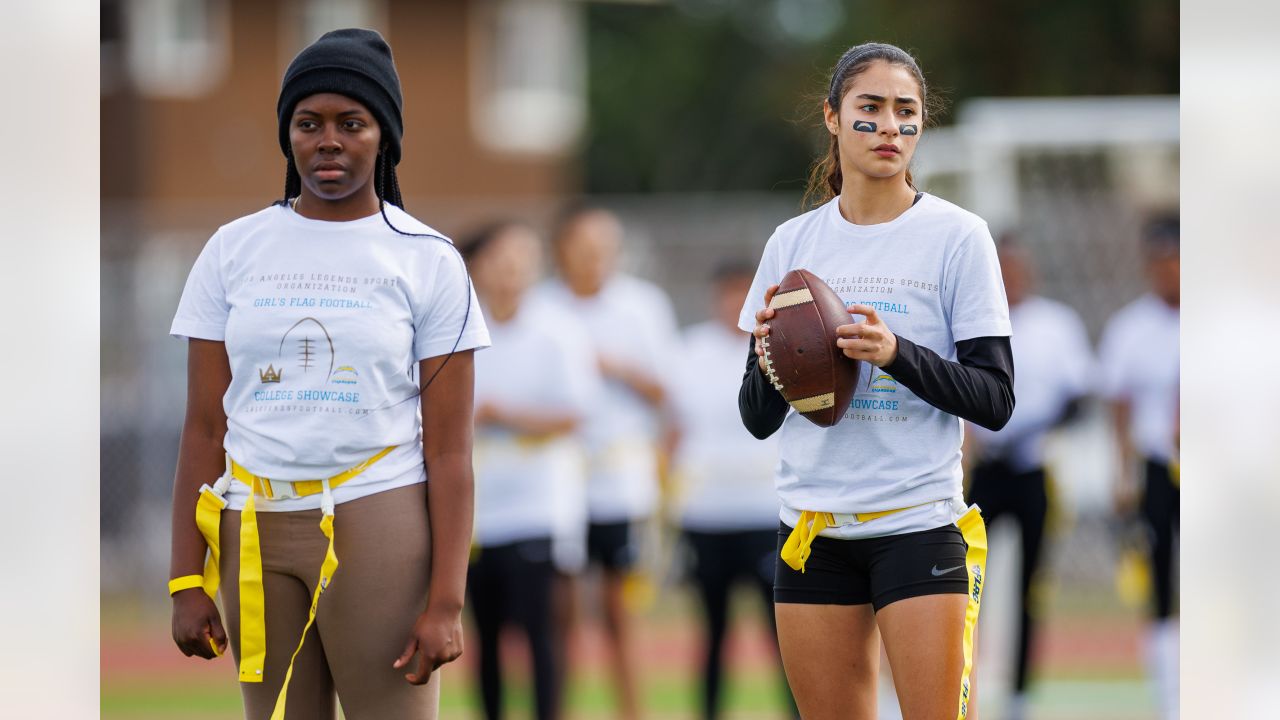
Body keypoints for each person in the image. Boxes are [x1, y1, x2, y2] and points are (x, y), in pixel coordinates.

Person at [166, 29, 489, 719]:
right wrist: (184, 579)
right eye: (308, 123)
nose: (329, 141)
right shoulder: (232, 250)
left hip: (377, 517)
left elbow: (451, 451)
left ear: (385, 136)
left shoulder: (428, 260)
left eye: (353, 122)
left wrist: (446, 602)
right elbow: (202, 425)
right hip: (252, 523)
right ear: (288, 135)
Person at [738, 42, 1015, 720]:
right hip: (811, 529)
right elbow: (757, 417)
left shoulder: (958, 236)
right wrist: (781, 352)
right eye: (871, 109)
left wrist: (895, 355)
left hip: (919, 523)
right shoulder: (792, 243)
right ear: (832, 118)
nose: (890, 126)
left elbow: (996, 399)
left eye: (906, 111)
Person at [531, 204, 681, 720]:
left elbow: (667, 390)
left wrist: (612, 367)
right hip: (552, 480)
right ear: (560, 250)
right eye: (583, 247)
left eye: (604, 247)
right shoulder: (540, 306)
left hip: (619, 481)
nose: (595, 258)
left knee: (620, 611)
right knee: (559, 612)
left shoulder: (642, 307)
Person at [462, 220, 600, 720]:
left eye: (522, 257)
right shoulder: (460, 328)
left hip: (540, 506)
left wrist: (504, 415)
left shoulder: (558, 327)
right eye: (501, 258)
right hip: (479, 510)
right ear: (477, 266)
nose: (512, 269)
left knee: (541, 632)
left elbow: (578, 411)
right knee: (486, 636)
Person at [964, 236, 1093, 720]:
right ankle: (960, 684)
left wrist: (1033, 430)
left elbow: (1079, 398)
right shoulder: (972, 322)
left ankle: (1019, 695)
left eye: (1017, 268)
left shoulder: (1056, 324)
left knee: (1029, 589)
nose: (1011, 278)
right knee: (962, 583)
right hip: (985, 469)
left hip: (1034, 467)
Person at [670, 261, 796, 720]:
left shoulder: (783, 346)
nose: (732, 305)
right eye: (726, 294)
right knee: (713, 631)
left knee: (783, 631)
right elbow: (674, 427)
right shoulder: (688, 350)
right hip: (706, 512)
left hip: (765, 510)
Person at [1098, 215, 1179, 720]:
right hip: (1159, 469)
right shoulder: (1132, 327)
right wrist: (1123, 473)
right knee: (1163, 584)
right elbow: (1119, 404)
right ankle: (1171, 695)